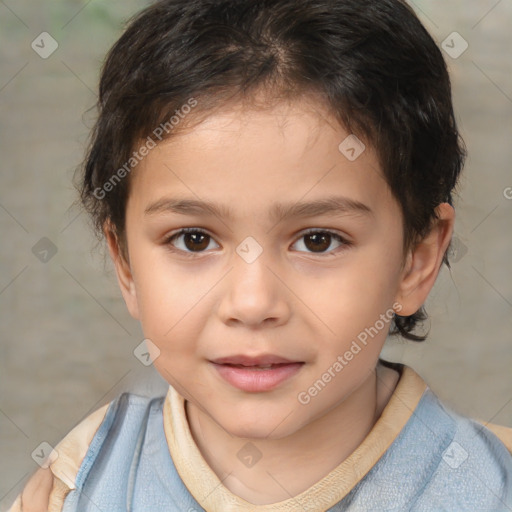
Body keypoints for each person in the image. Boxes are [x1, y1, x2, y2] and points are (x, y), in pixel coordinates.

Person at [9, 0, 512, 510]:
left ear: (416, 260)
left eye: (318, 240)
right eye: (194, 239)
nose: (252, 303)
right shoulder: (78, 485)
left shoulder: (487, 486)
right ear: (125, 265)